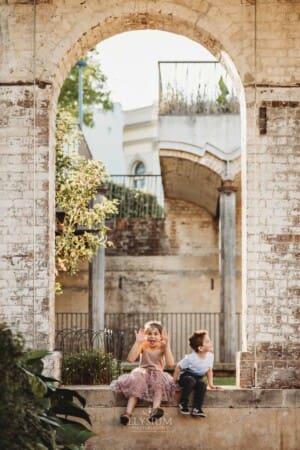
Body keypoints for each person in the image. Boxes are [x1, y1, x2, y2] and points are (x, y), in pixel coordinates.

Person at [111, 320, 176, 425]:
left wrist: (167, 345)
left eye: (156, 334)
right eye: (149, 333)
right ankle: (127, 414)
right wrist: (137, 343)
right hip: (143, 372)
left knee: (158, 384)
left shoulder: (163, 347)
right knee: (137, 382)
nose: (152, 336)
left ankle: (155, 410)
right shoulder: (143, 345)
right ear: (145, 336)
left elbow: (171, 364)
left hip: (157, 373)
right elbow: (131, 359)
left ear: (161, 337)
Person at [173, 329, 221, 417]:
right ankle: (183, 403)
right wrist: (174, 383)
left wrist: (211, 384)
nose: (211, 342)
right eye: (207, 341)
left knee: (202, 384)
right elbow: (178, 367)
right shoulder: (191, 358)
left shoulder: (210, 356)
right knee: (190, 380)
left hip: (197, 378)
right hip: (186, 377)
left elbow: (209, 370)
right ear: (200, 348)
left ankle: (197, 408)